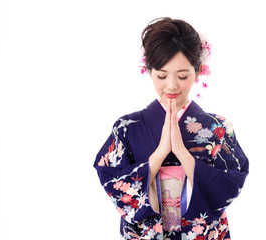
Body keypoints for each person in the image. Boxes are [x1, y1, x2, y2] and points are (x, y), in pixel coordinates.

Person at [93, 17, 249, 240]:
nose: (172, 85)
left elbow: (232, 182)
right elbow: (109, 176)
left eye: (182, 76)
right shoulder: (127, 128)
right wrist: (159, 155)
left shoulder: (219, 128)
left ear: (199, 70)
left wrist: (184, 154)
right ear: (149, 71)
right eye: (162, 75)